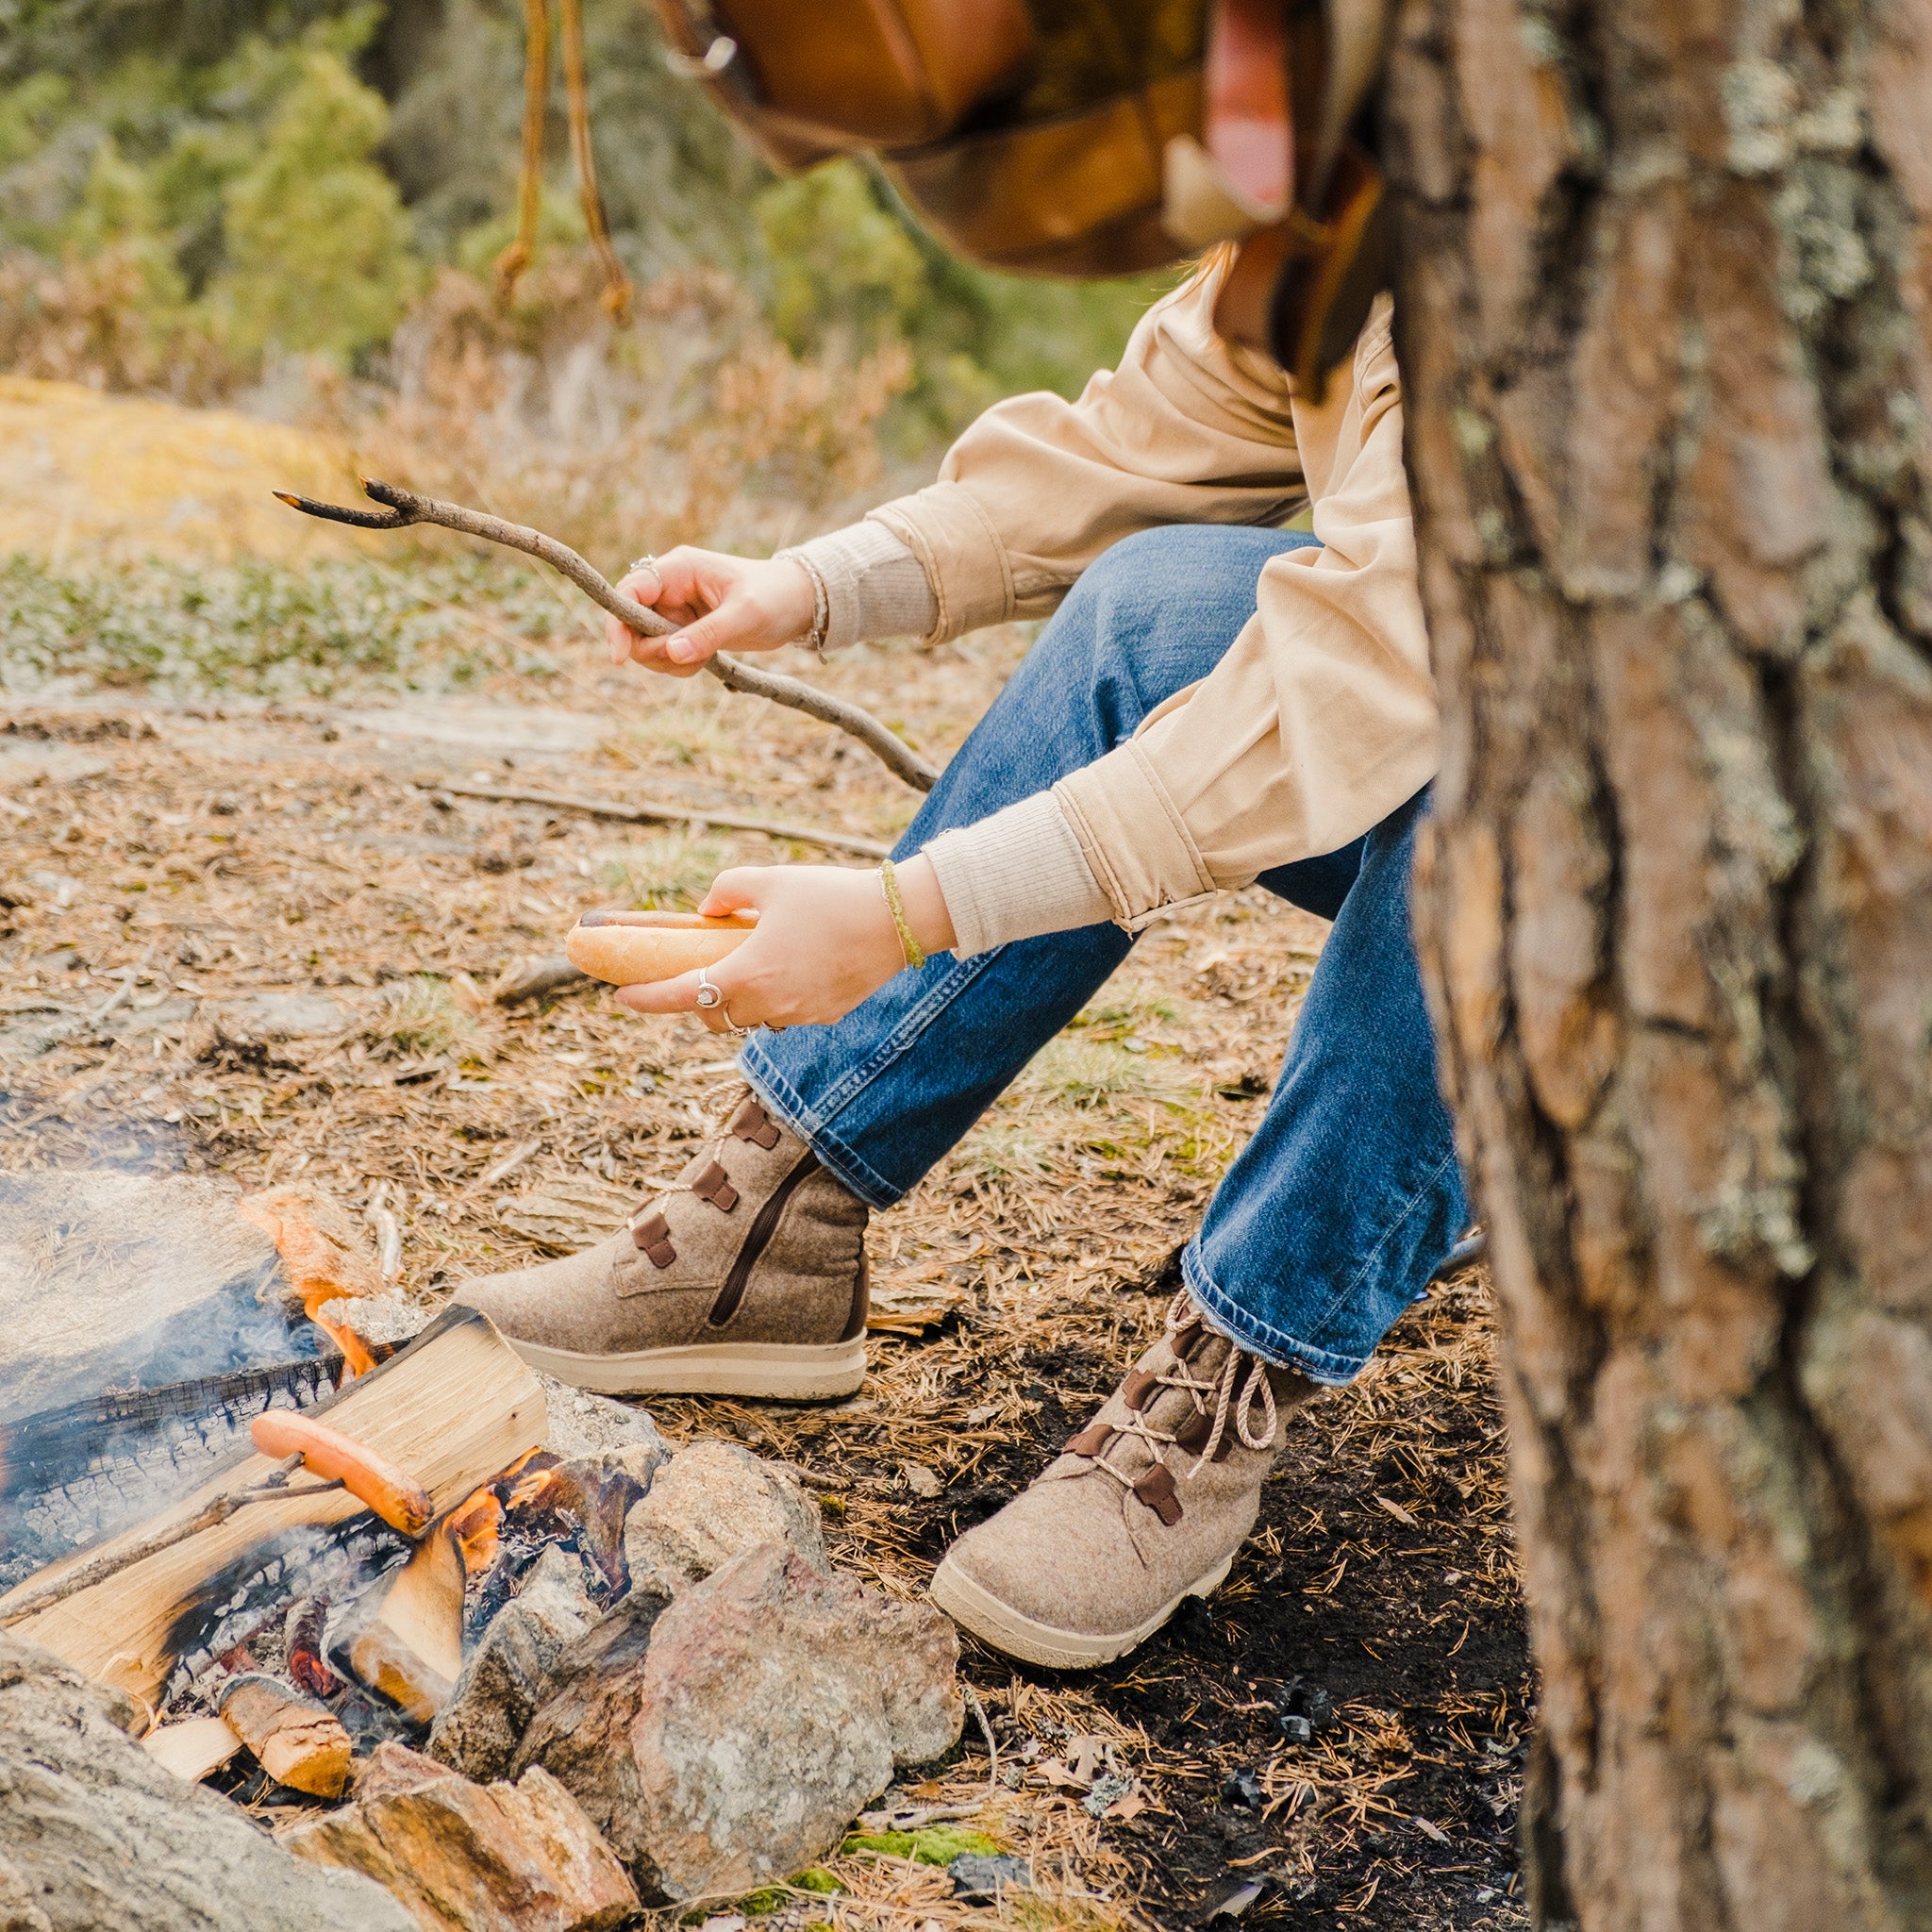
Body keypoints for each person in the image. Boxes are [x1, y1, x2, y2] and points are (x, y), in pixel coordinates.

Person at [458, 9, 1466, 1670]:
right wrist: (819, 584)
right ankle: (775, 1221)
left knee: (1520, 796)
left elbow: (1366, 681)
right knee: (1154, 605)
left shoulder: (1557, 240)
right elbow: (1137, 444)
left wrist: (908, 910)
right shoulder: (1346, 171)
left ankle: (1237, 1367)